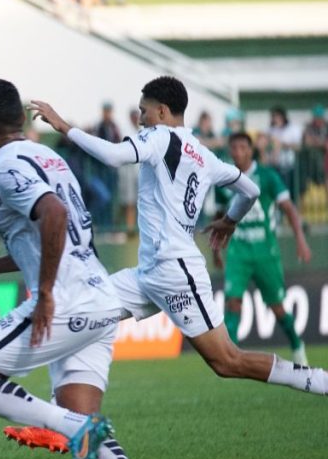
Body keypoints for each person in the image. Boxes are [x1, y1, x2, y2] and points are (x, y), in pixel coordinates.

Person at [0, 79, 168, 459]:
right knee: (81, 417)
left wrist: (44, 292)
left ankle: (74, 429)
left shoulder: (6, 164)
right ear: (24, 119)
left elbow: (54, 217)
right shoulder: (51, 158)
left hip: (64, 302)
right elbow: (59, 233)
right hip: (100, 299)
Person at [31, 76, 327, 397]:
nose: (140, 119)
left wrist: (63, 126)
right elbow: (250, 190)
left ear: (161, 112)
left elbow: (114, 157)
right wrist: (230, 220)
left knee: (227, 361)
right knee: (84, 315)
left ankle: (317, 380)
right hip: (147, 275)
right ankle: (65, 412)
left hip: (175, 271)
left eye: (144, 111)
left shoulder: (160, 137)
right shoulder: (203, 155)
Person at [214, 132, 312, 363]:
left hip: (265, 251)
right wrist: (216, 250)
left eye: (242, 147)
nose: (237, 152)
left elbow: (288, 208)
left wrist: (300, 239)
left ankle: (297, 345)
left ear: (250, 150)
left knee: (277, 307)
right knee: (233, 301)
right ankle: (232, 356)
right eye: (234, 148)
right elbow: (219, 217)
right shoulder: (224, 180)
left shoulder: (267, 176)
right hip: (238, 251)